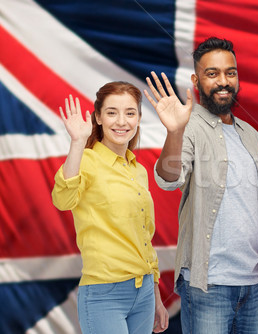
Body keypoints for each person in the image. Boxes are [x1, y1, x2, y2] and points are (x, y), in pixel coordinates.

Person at [144, 36, 258, 333]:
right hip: (208, 285)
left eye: (230, 73)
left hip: (253, 287)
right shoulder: (189, 127)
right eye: (212, 73)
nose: (223, 81)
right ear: (196, 79)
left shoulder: (251, 135)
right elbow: (169, 179)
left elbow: (256, 215)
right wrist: (175, 132)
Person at [51, 82, 169, 333]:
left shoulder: (138, 170)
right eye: (112, 112)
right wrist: (77, 143)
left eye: (130, 113)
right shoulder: (87, 160)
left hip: (145, 291)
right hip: (104, 292)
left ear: (138, 118)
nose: (121, 121)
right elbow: (63, 199)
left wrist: (156, 297)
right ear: (98, 117)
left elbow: (144, 238)